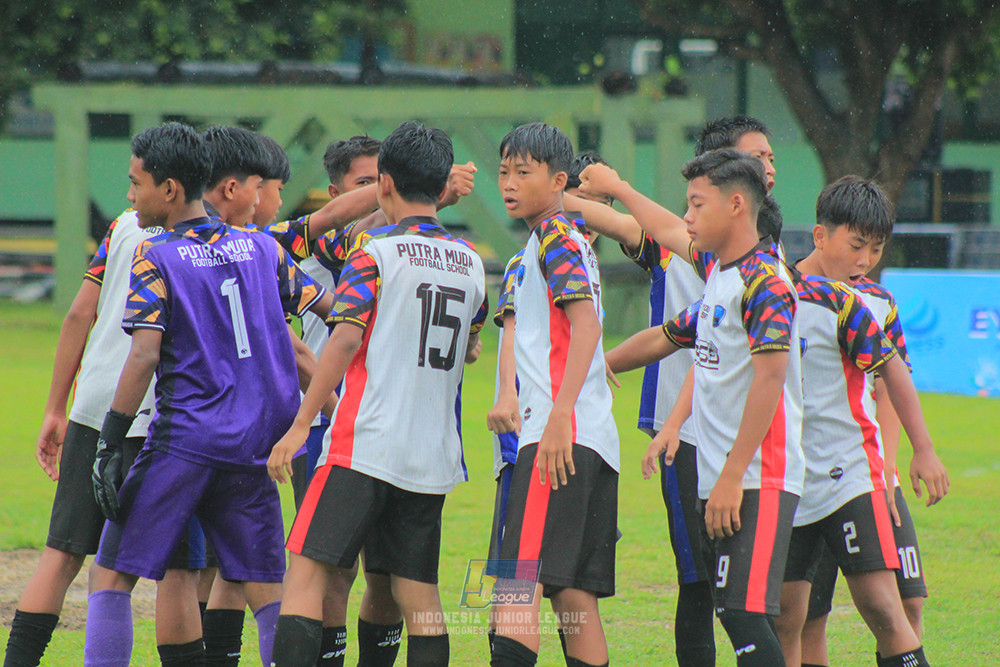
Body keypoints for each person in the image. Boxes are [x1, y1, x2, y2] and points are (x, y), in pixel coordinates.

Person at [82, 121, 332, 667]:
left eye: (136, 183)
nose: (129, 196)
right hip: (254, 448)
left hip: (185, 443)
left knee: (112, 575)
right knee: (268, 589)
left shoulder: (157, 255)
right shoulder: (260, 248)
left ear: (169, 189)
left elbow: (145, 354)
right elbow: (333, 309)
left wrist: (109, 441)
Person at [266, 121, 487, 667]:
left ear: (384, 185)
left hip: (364, 444)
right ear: (441, 187)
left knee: (307, 573)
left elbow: (343, 339)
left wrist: (300, 425)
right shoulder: (474, 264)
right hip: (433, 453)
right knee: (418, 592)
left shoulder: (376, 253)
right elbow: (473, 346)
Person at [604, 149, 804, 666]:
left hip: (758, 478)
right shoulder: (721, 277)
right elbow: (669, 337)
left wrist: (732, 477)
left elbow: (770, 380)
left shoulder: (767, 282)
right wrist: (592, 367)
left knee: (741, 612)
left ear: (737, 205)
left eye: (696, 205)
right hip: (721, 478)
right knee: (730, 610)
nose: (686, 218)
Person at [787, 176, 949, 667]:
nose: (864, 261)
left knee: (888, 603)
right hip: (789, 477)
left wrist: (903, 462)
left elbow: (891, 386)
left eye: (875, 250)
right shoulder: (777, 291)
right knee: (790, 618)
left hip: (855, 472)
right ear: (820, 235)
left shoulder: (875, 305)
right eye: (856, 246)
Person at [488, 123, 619, 667]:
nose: (509, 183)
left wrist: (559, 415)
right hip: (594, 440)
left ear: (558, 179)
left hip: (557, 437)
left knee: (518, 586)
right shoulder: (562, 238)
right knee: (573, 595)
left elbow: (584, 328)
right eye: (503, 172)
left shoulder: (554, 236)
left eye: (524, 172)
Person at [2, 208, 157, 667]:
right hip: (161, 417)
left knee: (63, 552)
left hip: (94, 405)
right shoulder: (215, 239)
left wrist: (56, 407)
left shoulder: (124, 225)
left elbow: (78, 314)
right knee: (184, 573)